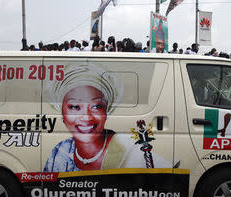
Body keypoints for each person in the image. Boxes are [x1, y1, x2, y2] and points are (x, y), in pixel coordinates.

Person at [44, 63, 172, 172]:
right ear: (62, 115)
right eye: (75, 107)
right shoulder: (61, 151)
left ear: (107, 111)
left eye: (96, 106)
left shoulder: (129, 149)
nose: (87, 117)